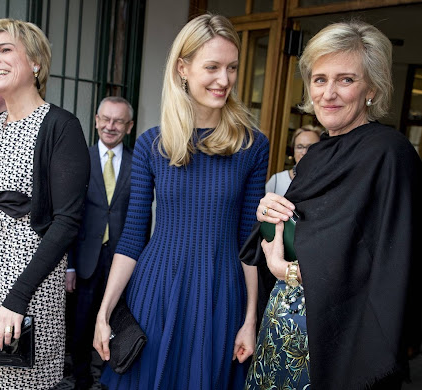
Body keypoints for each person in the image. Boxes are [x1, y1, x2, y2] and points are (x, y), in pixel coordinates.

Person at [241, 21, 422, 390]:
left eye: (346, 79)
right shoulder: (316, 156)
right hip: (283, 336)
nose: (329, 93)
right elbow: (298, 239)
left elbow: (388, 267)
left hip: (339, 349)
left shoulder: (389, 154)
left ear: (371, 87)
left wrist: (283, 270)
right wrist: (269, 219)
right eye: (320, 79)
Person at [93, 14, 269, 389]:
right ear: (183, 68)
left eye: (233, 68)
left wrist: (251, 318)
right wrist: (104, 312)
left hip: (221, 294)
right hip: (157, 290)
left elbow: (248, 243)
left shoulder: (252, 145)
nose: (225, 80)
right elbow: (131, 239)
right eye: (213, 67)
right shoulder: (151, 144)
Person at [0, 18, 90, 390]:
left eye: (4, 49)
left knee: (23, 383)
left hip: (28, 287)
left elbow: (66, 222)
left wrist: (17, 298)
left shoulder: (59, 126)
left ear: (35, 61)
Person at [67, 96, 134, 390]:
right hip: (84, 259)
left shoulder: (137, 163)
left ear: (128, 126)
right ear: (95, 120)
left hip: (121, 258)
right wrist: (68, 265)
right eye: (105, 119)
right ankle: (81, 379)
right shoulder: (80, 158)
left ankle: (105, 379)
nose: (110, 126)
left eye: (118, 121)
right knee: (81, 325)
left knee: (115, 322)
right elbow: (68, 214)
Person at [264, 125, 322, 195]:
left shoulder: (326, 179)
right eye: (299, 147)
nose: (304, 152)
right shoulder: (277, 180)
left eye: (310, 147)